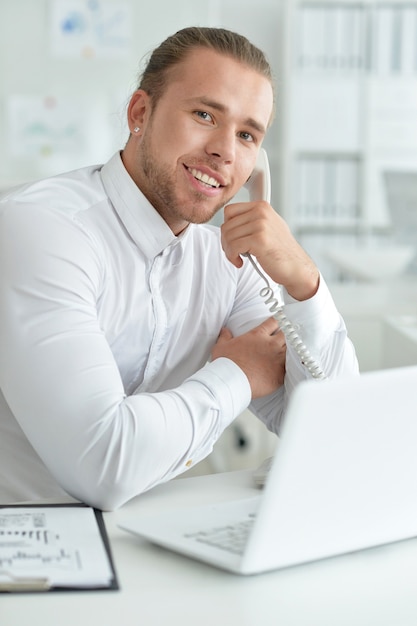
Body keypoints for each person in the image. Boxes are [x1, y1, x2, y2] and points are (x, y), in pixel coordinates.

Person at [0, 27, 358, 511]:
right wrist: (237, 374)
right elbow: (103, 465)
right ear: (140, 114)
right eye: (205, 114)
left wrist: (303, 283)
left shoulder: (227, 262)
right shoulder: (43, 230)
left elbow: (336, 432)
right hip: (29, 549)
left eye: (248, 135)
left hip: (149, 543)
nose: (226, 152)